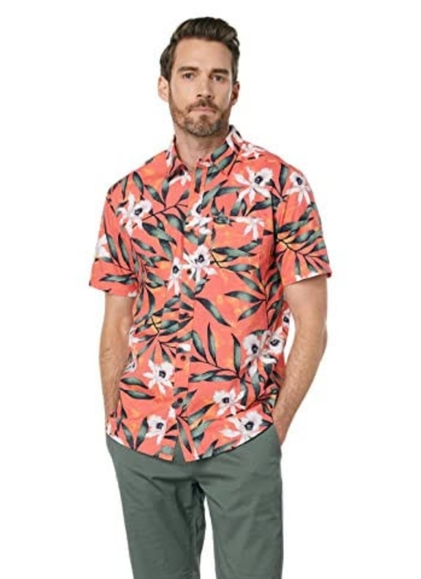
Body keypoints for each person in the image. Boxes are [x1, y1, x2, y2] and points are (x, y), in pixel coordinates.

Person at [88, 16, 332, 579]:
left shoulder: (280, 186)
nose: (204, 89)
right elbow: (116, 320)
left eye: (218, 77)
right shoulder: (128, 195)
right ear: (164, 85)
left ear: (235, 90)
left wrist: (274, 429)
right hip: (142, 437)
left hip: (242, 434)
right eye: (190, 74)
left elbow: (313, 325)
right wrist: (114, 419)